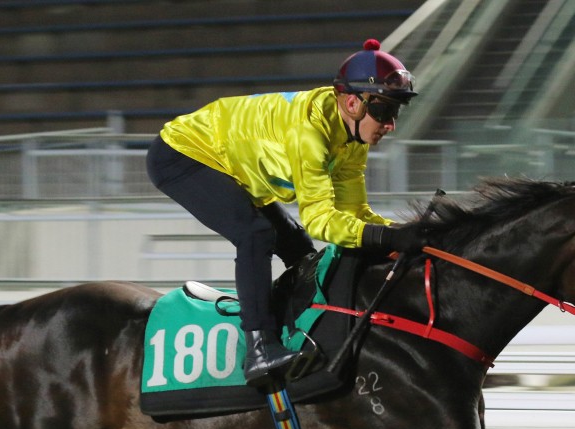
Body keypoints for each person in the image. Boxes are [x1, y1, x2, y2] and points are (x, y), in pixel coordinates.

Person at [146, 38, 427, 384]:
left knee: (299, 249)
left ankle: (296, 330)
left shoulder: (352, 135)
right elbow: (321, 220)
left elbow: (353, 213)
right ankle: (260, 349)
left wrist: (406, 231)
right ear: (353, 102)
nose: (391, 125)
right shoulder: (310, 133)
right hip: (182, 155)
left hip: (233, 166)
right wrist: (389, 236)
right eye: (385, 111)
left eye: (396, 111)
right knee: (255, 234)